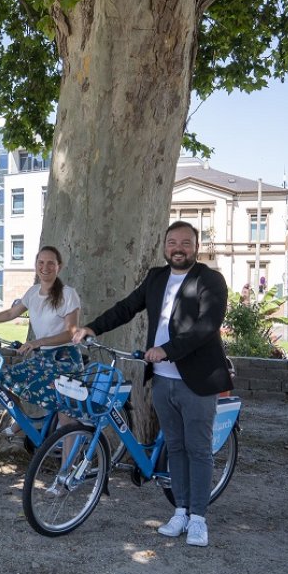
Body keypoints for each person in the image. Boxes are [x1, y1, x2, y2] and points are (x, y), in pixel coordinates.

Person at [73, 221, 232, 547]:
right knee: (175, 447)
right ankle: (181, 511)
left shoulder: (210, 279)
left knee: (198, 450)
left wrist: (166, 350)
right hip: (162, 380)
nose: (178, 248)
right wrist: (92, 328)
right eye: (172, 242)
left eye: (185, 242)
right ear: (164, 246)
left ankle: (199, 518)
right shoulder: (156, 277)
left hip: (197, 380)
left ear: (196, 247)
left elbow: (207, 325)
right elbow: (127, 308)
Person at [0, 246, 83, 434]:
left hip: (65, 359)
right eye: (41, 262)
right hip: (43, 359)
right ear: (36, 265)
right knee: (4, 380)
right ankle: (23, 423)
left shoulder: (68, 294)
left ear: (59, 267)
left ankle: (68, 458)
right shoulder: (33, 292)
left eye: (50, 263)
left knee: (64, 412)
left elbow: (71, 333)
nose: (45, 267)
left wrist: (38, 342)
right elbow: (11, 312)